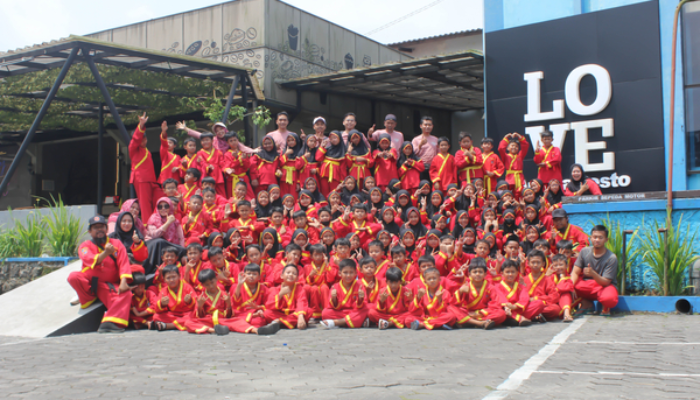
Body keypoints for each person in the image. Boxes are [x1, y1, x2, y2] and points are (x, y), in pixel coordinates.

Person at [67, 215, 133, 333]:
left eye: (102, 227)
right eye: (95, 228)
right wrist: (107, 252)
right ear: (90, 231)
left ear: (107, 229)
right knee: (73, 277)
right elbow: (89, 259)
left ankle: (108, 322)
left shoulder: (116, 243)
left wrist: (123, 282)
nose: (99, 230)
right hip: (90, 283)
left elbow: (124, 263)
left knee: (126, 294)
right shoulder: (85, 245)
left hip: (108, 284)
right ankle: (88, 298)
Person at [571, 225, 619, 316]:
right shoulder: (584, 252)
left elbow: (606, 282)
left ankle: (605, 306)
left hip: (603, 286)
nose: (597, 240)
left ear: (606, 240)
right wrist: (570, 287)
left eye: (600, 237)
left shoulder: (611, 258)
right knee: (569, 284)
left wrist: (593, 274)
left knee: (609, 298)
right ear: (591, 238)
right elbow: (575, 272)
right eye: (595, 237)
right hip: (588, 285)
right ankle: (586, 305)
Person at [449, 259, 505, 329]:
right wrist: (460, 291)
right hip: (468, 312)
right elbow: (454, 303)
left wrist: (480, 313)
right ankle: (480, 323)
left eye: (480, 272)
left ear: (485, 274)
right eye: (475, 272)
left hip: (483, 313)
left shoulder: (490, 287)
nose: (477, 274)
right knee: (451, 308)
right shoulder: (466, 286)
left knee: (501, 314)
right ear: (469, 274)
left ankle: (470, 322)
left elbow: (495, 304)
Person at [128, 113, 164, 221]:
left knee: (160, 197)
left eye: (145, 139)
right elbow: (136, 140)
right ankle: (147, 226)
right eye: (141, 139)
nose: (143, 141)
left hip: (151, 180)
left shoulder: (146, 150)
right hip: (141, 179)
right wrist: (141, 124)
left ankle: (158, 221)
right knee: (145, 205)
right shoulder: (133, 148)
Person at [320, 259, 369, 329]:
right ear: (340, 273)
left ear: (356, 273)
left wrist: (360, 299)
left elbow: (364, 304)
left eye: (351, 272)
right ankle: (356, 321)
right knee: (325, 313)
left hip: (355, 311)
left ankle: (336, 323)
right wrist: (334, 299)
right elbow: (332, 306)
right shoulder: (335, 287)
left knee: (368, 309)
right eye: (345, 273)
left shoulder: (360, 285)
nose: (348, 275)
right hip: (344, 312)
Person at [495, 260, 545, 326]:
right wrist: (507, 307)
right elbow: (501, 300)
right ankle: (520, 318)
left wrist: (514, 306)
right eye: (507, 272)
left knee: (539, 303)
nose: (510, 274)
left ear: (517, 273)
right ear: (502, 273)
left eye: (513, 272)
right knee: (501, 312)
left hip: (517, 309)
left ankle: (513, 320)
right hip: (505, 310)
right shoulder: (497, 286)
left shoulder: (521, 286)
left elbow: (524, 299)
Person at [150, 264, 197, 331]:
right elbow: (157, 309)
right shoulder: (164, 290)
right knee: (156, 316)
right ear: (164, 279)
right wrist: (162, 304)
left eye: (174, 277)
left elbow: (196, 303)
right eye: (168, 278)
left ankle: (168, 326)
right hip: (173, 314)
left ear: (179, 276)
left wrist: (190, 301)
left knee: (193, 316)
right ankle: (180, 323)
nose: (171, 280)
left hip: (187, 313)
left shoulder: (187, 287)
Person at [263, 264, 309, 330]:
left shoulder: (300, 289)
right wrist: (280, 294)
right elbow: (269, 305)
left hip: (294, 313)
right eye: (288, 272)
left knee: (309, 311)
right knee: (267, 312)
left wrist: (300, 316)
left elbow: (301, 302)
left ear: (297, 279)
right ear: (282, 276)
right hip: (281, 314)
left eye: (294, 273)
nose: (291, 275)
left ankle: (279, 322)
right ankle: (291, 322)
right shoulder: (276, 289)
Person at [522, 250, 561, 321]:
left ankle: (534, 315)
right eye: (533, 262)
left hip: (543, 306)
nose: (535, 265)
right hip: (530, 305)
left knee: (556, 309)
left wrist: (537, 298)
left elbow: (554, 297)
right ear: (528, 263)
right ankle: (536, 315)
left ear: (543, 263)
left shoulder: (547, 279)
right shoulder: (524, 279)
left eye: (538, 262)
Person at [179, 120, 258, 154]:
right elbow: (200, 135)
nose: (219, 132)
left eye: (221, 129)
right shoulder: (214, 140)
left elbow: (242, 147)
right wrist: (186, 129)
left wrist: (254, 151)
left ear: (225, 129)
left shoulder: (231, 139)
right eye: (217, 131)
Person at [316, 131, 347, 196]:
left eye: (335, 138)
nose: (333, 140)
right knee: (324, 192)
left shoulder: (343, 151)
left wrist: (343, 180)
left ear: (339, 139)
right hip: (324, 174)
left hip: (336, 175)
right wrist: (321, 147)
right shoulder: (326, 149)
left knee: (335, 192)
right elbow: (318, 158)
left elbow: (343, 167)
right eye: (331, 138)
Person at [498, 133, 529, 198]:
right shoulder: (505, 156)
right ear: (508, 148)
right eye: (512, 145)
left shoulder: (520, 156)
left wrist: (519, 136)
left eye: (516, 146)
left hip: (519, 178)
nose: (514, 147)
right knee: (508, 194)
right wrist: (505, 138)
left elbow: (525, 146)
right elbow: (501, 148)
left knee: (520, 194)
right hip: (509, 178)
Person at [197, 132, 226, 197]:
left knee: (221, 195)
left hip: (218, 176)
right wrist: (207, 167)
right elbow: (201, 163)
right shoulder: (200, 153)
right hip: (207, 176)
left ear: (212, 141)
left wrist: (226, 169)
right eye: (203, 140)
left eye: (207, 140)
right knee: (207, 194)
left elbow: (222, 163)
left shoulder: (218, 152)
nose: (205, 142)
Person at [158, 121, 182, 186]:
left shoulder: (178, 157)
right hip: (165, 179)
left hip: (175, 179)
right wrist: (163, 131)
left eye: (170, 142)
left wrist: (178, 168)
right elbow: (163, 144)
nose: (168, 144)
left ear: (175, 145)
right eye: (167, 142)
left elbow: (182, 167)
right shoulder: (164, 153)